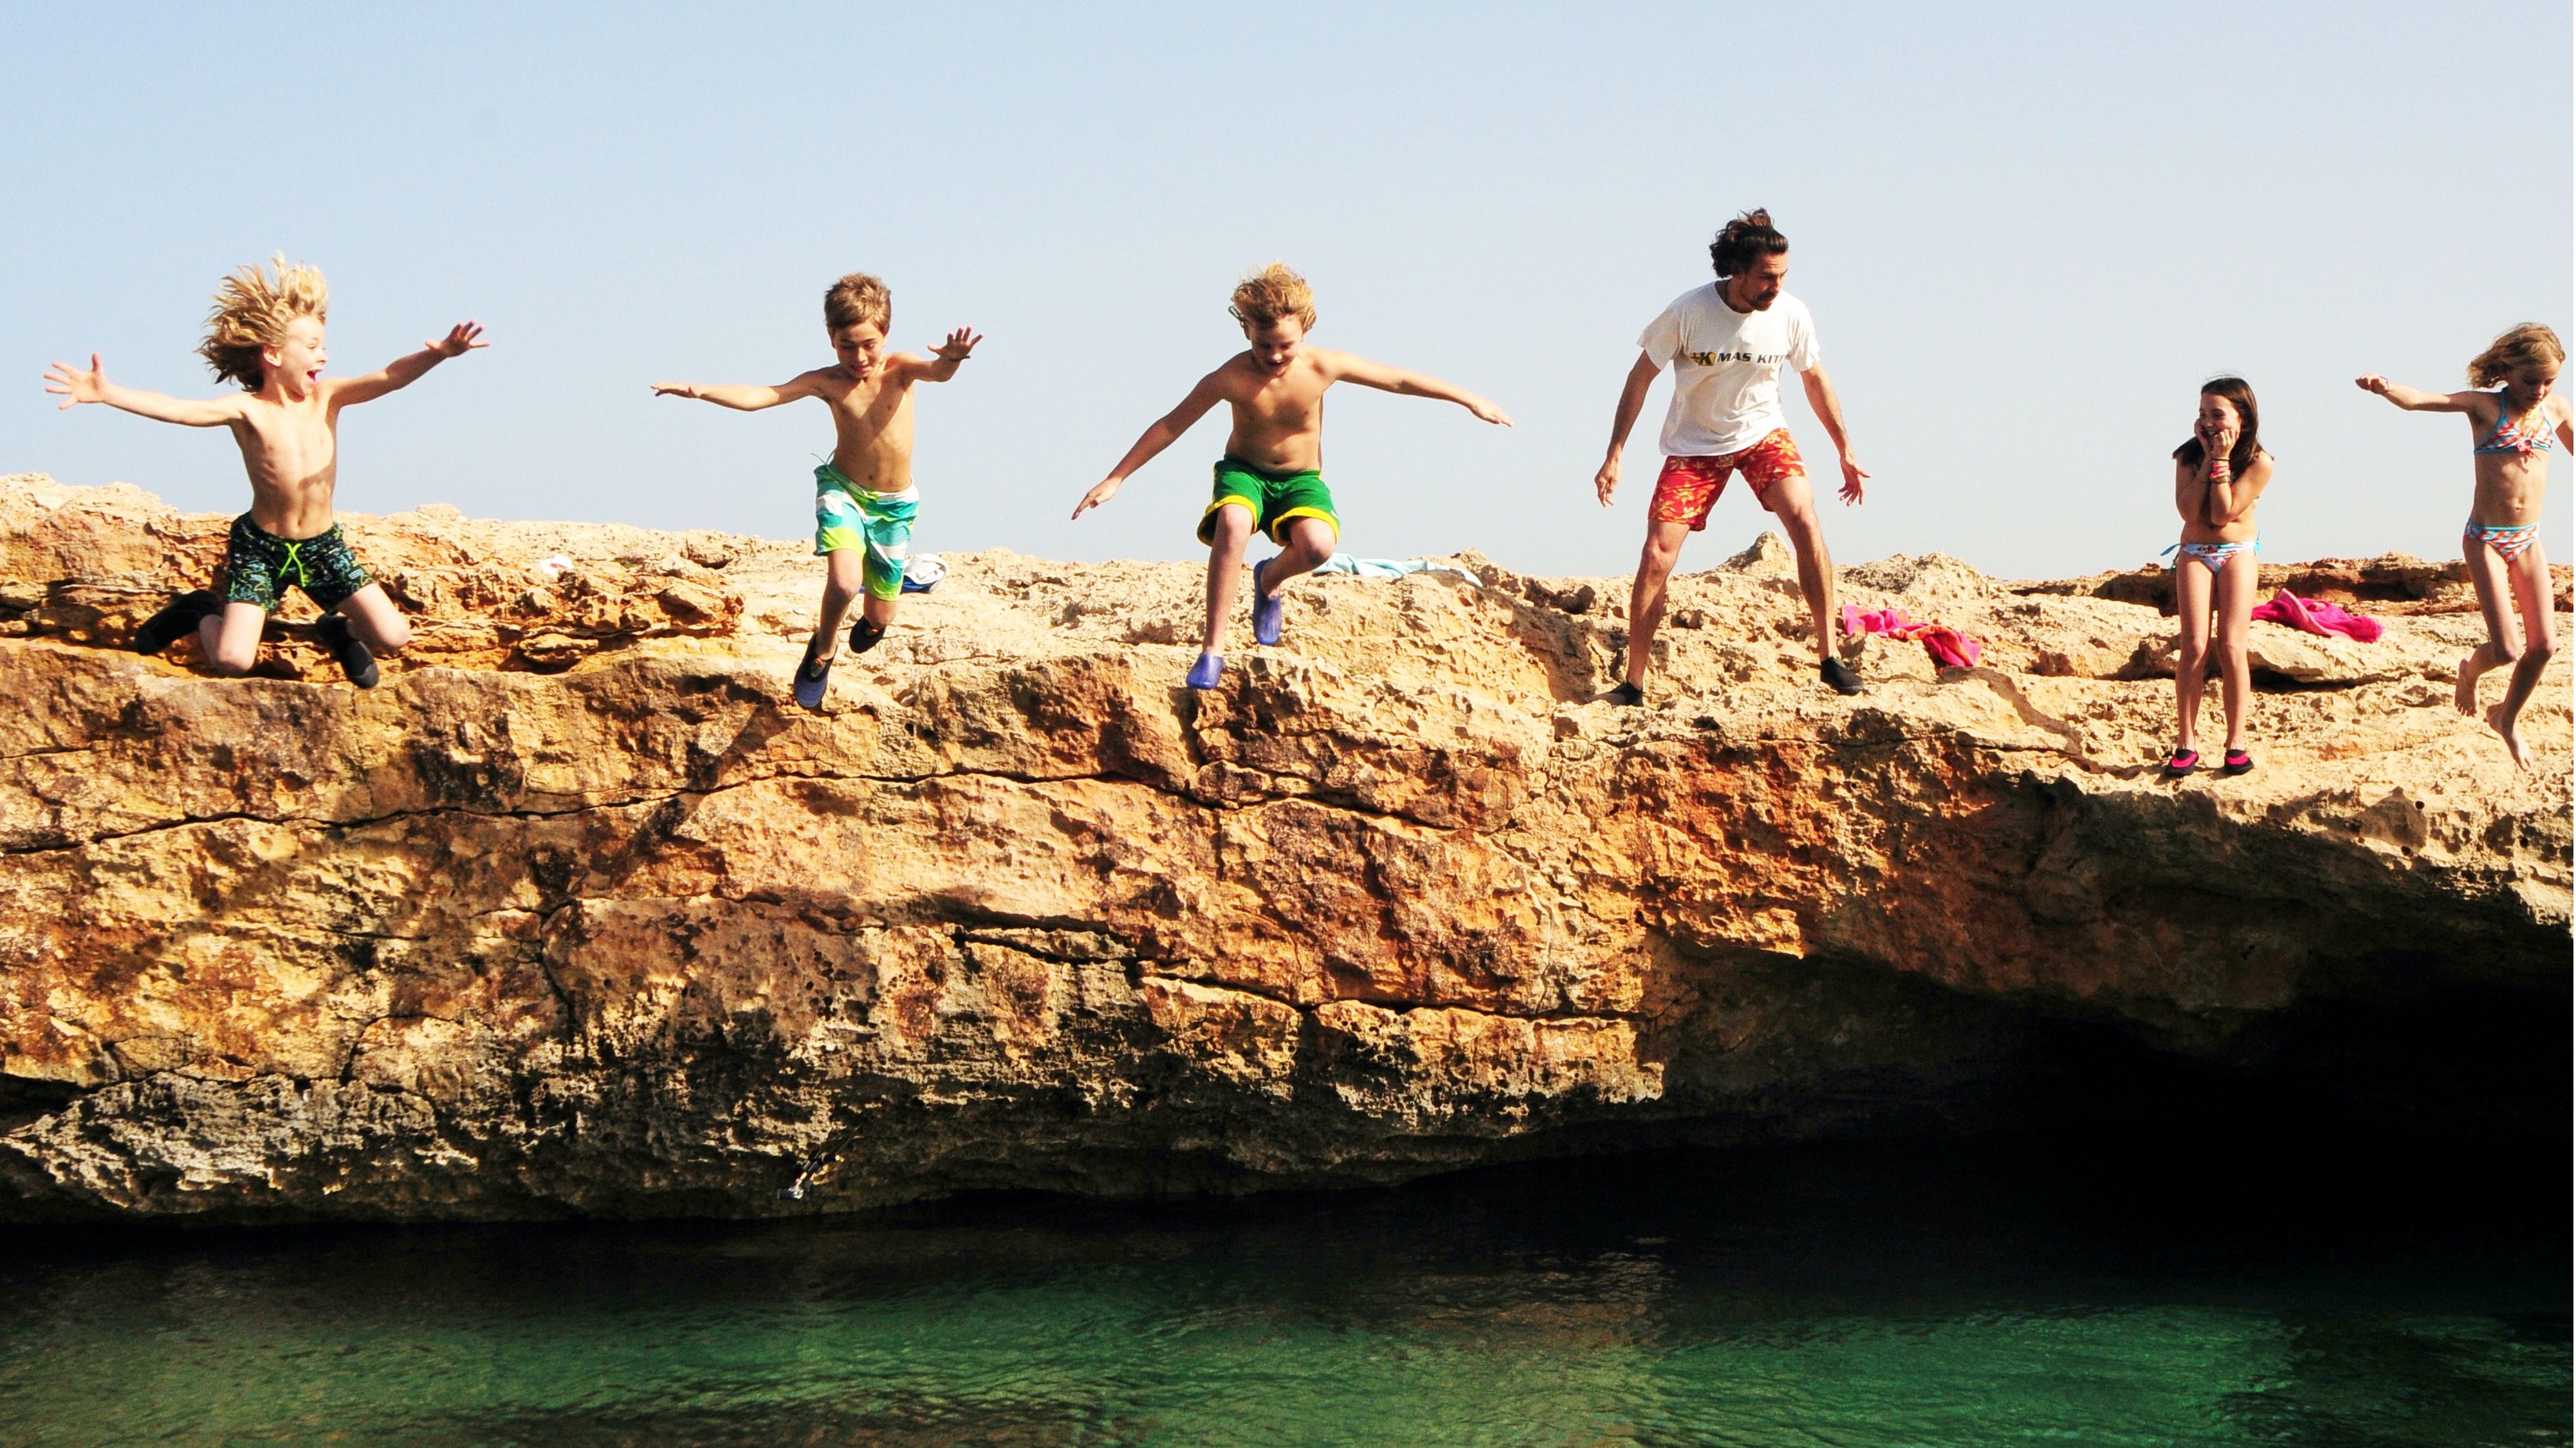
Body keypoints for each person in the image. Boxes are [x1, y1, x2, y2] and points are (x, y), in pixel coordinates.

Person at [45, 255, 484, 687]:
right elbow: (178, 409)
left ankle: (337, 630)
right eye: (312, 348)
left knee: (394, 637)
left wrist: (441, 355)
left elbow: (388, 376)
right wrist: (108, 392)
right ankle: (201, 611)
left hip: (322, 548)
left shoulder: (326, 398)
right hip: (261, 549)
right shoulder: (246, 410)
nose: (324, 357)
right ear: (273, 354)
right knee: (233, 660)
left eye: (325, 347)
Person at [1071, 262, 1511, 689]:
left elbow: (1397, 379)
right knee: (1234, 522)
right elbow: (1171, 424)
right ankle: (1213, 648)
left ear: (1305, 330)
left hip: (1301, 481)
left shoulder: (1323, 367)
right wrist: (1117, 478)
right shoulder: (1229, 378)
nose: (1275, 355)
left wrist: (1468, 399)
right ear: (1246, 331)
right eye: (1264, 345)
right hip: (1244, 474)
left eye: (1286, 344)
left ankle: (1270, 579)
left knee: (1319, 547)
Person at [655, 272, 979, 709]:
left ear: (885, 334)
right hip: (842, 490)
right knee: (844, 584)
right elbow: (764, 395)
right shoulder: (826, 382)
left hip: (893, 506)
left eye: (869, 344)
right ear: (831, 338)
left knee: (879, 619)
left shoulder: (899, 369)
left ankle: (897, 582)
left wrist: (954, 359)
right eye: (848, 346)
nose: (860, 357)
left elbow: (938, 372)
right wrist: (703, 390)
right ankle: (823, 651)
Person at [1594, 209, 1871, 703]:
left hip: (1764, 434)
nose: (1776, 287)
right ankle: (1633, 684)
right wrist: (1615, 453)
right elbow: (1640, 379)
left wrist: (1844, 449)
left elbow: (1814, 379)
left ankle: (1830, 657)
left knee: (1806, 520)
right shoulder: (1688, 313)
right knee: (1657, 554)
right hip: (1695, 448)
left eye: (1783, 276)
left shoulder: (1791, 313)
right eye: (1767, 277)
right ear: (1737, 273)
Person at [2359, 323, 2570, 769]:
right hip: (2487, 540)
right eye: (2531, 380)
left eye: (2549, 380)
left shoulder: (2555, 410)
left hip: (2528, 539)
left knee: (2544, 647)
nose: (2539, 389)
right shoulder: (2484, 407)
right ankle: (2469, 672)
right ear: (2508, 370)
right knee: (2508, 648)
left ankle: (2506, 718)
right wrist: (2386, 388)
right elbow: (2423, 401)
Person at [2161, 378, 2274, 780]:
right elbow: (2191, 513)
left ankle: (2236, 742)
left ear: (2241, 418)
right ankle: (2186, 741)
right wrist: (2209, 459)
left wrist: (2224, 461)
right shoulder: (2188, 456)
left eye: (2217, 414)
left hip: (2237, 553)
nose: (2208, 422)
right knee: (2193, 645)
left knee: (2231, 645)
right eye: (2203, 413)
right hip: (2194, 552)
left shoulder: (2260, 461)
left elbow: (2224, 513)